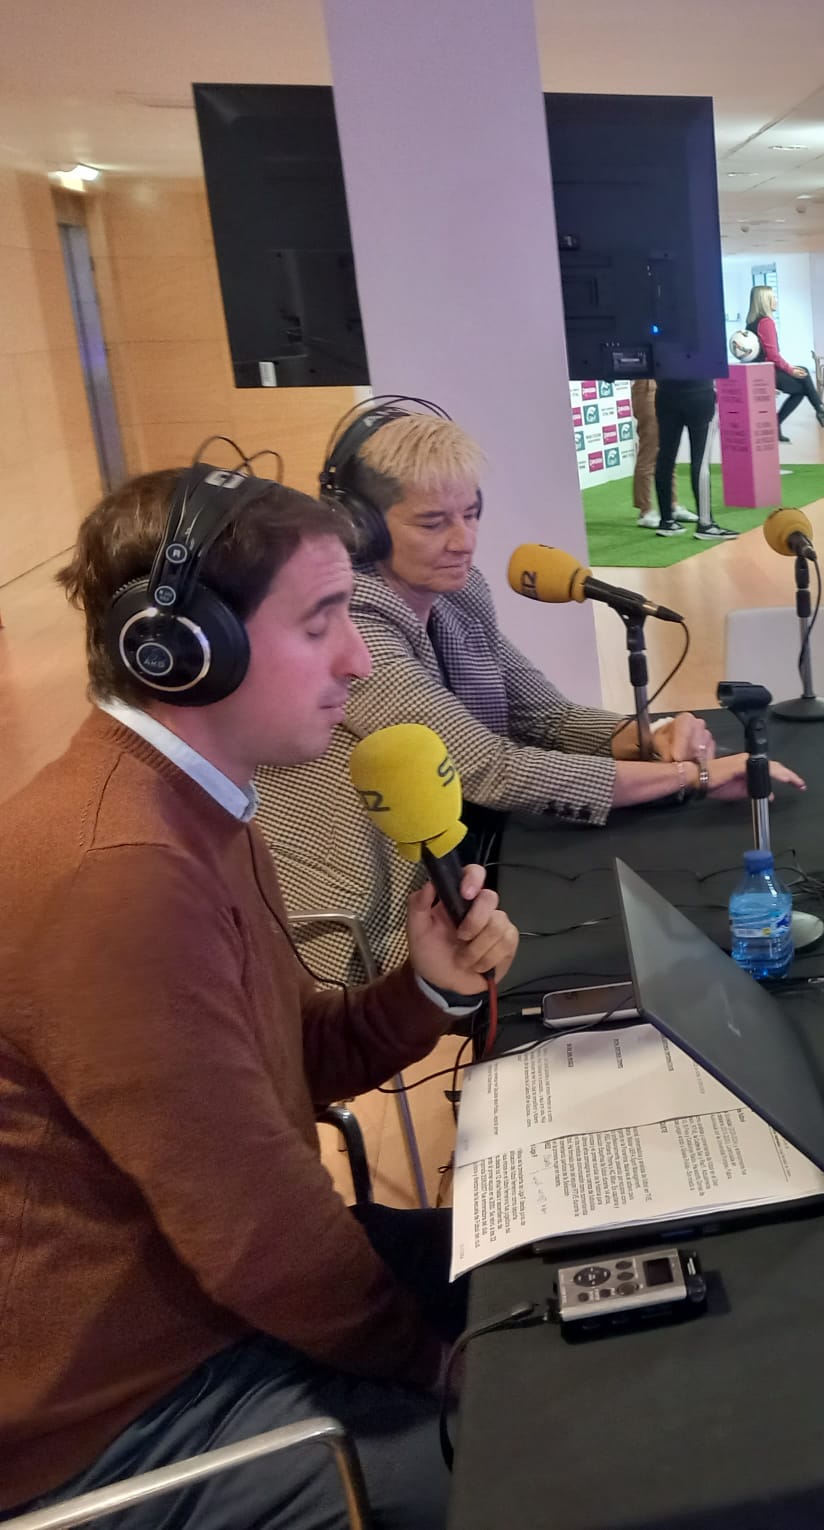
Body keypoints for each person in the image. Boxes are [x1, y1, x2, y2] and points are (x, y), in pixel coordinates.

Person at [0, 464, 519, 1527]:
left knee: (565, 1280)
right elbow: (256, 1236)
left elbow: (292, 1064)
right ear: (185, 650)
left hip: (220, 1311)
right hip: (129, 1418)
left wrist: (425, 986)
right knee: (558, 1462)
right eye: (321, 620)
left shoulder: (201, 804)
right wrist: (437, 1364)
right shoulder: (123, 870)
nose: (359, 659)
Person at [257, 404, 804, 982]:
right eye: (432, 522)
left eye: (470, 514)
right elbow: (490, 769)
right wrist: (689, 778)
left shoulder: (460, 595)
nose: (463, 540)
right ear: (357, 528)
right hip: (369, 917)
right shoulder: (353, 626)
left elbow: (542, 715)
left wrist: (648, 736)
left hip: (472, 860)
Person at [746, 285, 824, 440]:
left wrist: (790, 368)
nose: (776, 300)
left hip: (758, 371)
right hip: (768, 372)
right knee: (802, 381)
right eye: (773, 297)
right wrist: (790, 369)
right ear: (765, 301)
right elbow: (773, 355)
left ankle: (819, 410)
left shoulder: (751, 323)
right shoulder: (766, 322)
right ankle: (820, 409)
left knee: (802, 380)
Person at [641, 376, 729, 540]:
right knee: (700, 461)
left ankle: (666, 520)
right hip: (699, 393)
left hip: (666, 394)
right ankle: (705, 524)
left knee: (665, 457)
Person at [629, 377, 660, 519]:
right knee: (649, 450)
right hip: (646, 383)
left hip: (666, 383)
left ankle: (672, 504)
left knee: (666, 452)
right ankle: (645, 510)